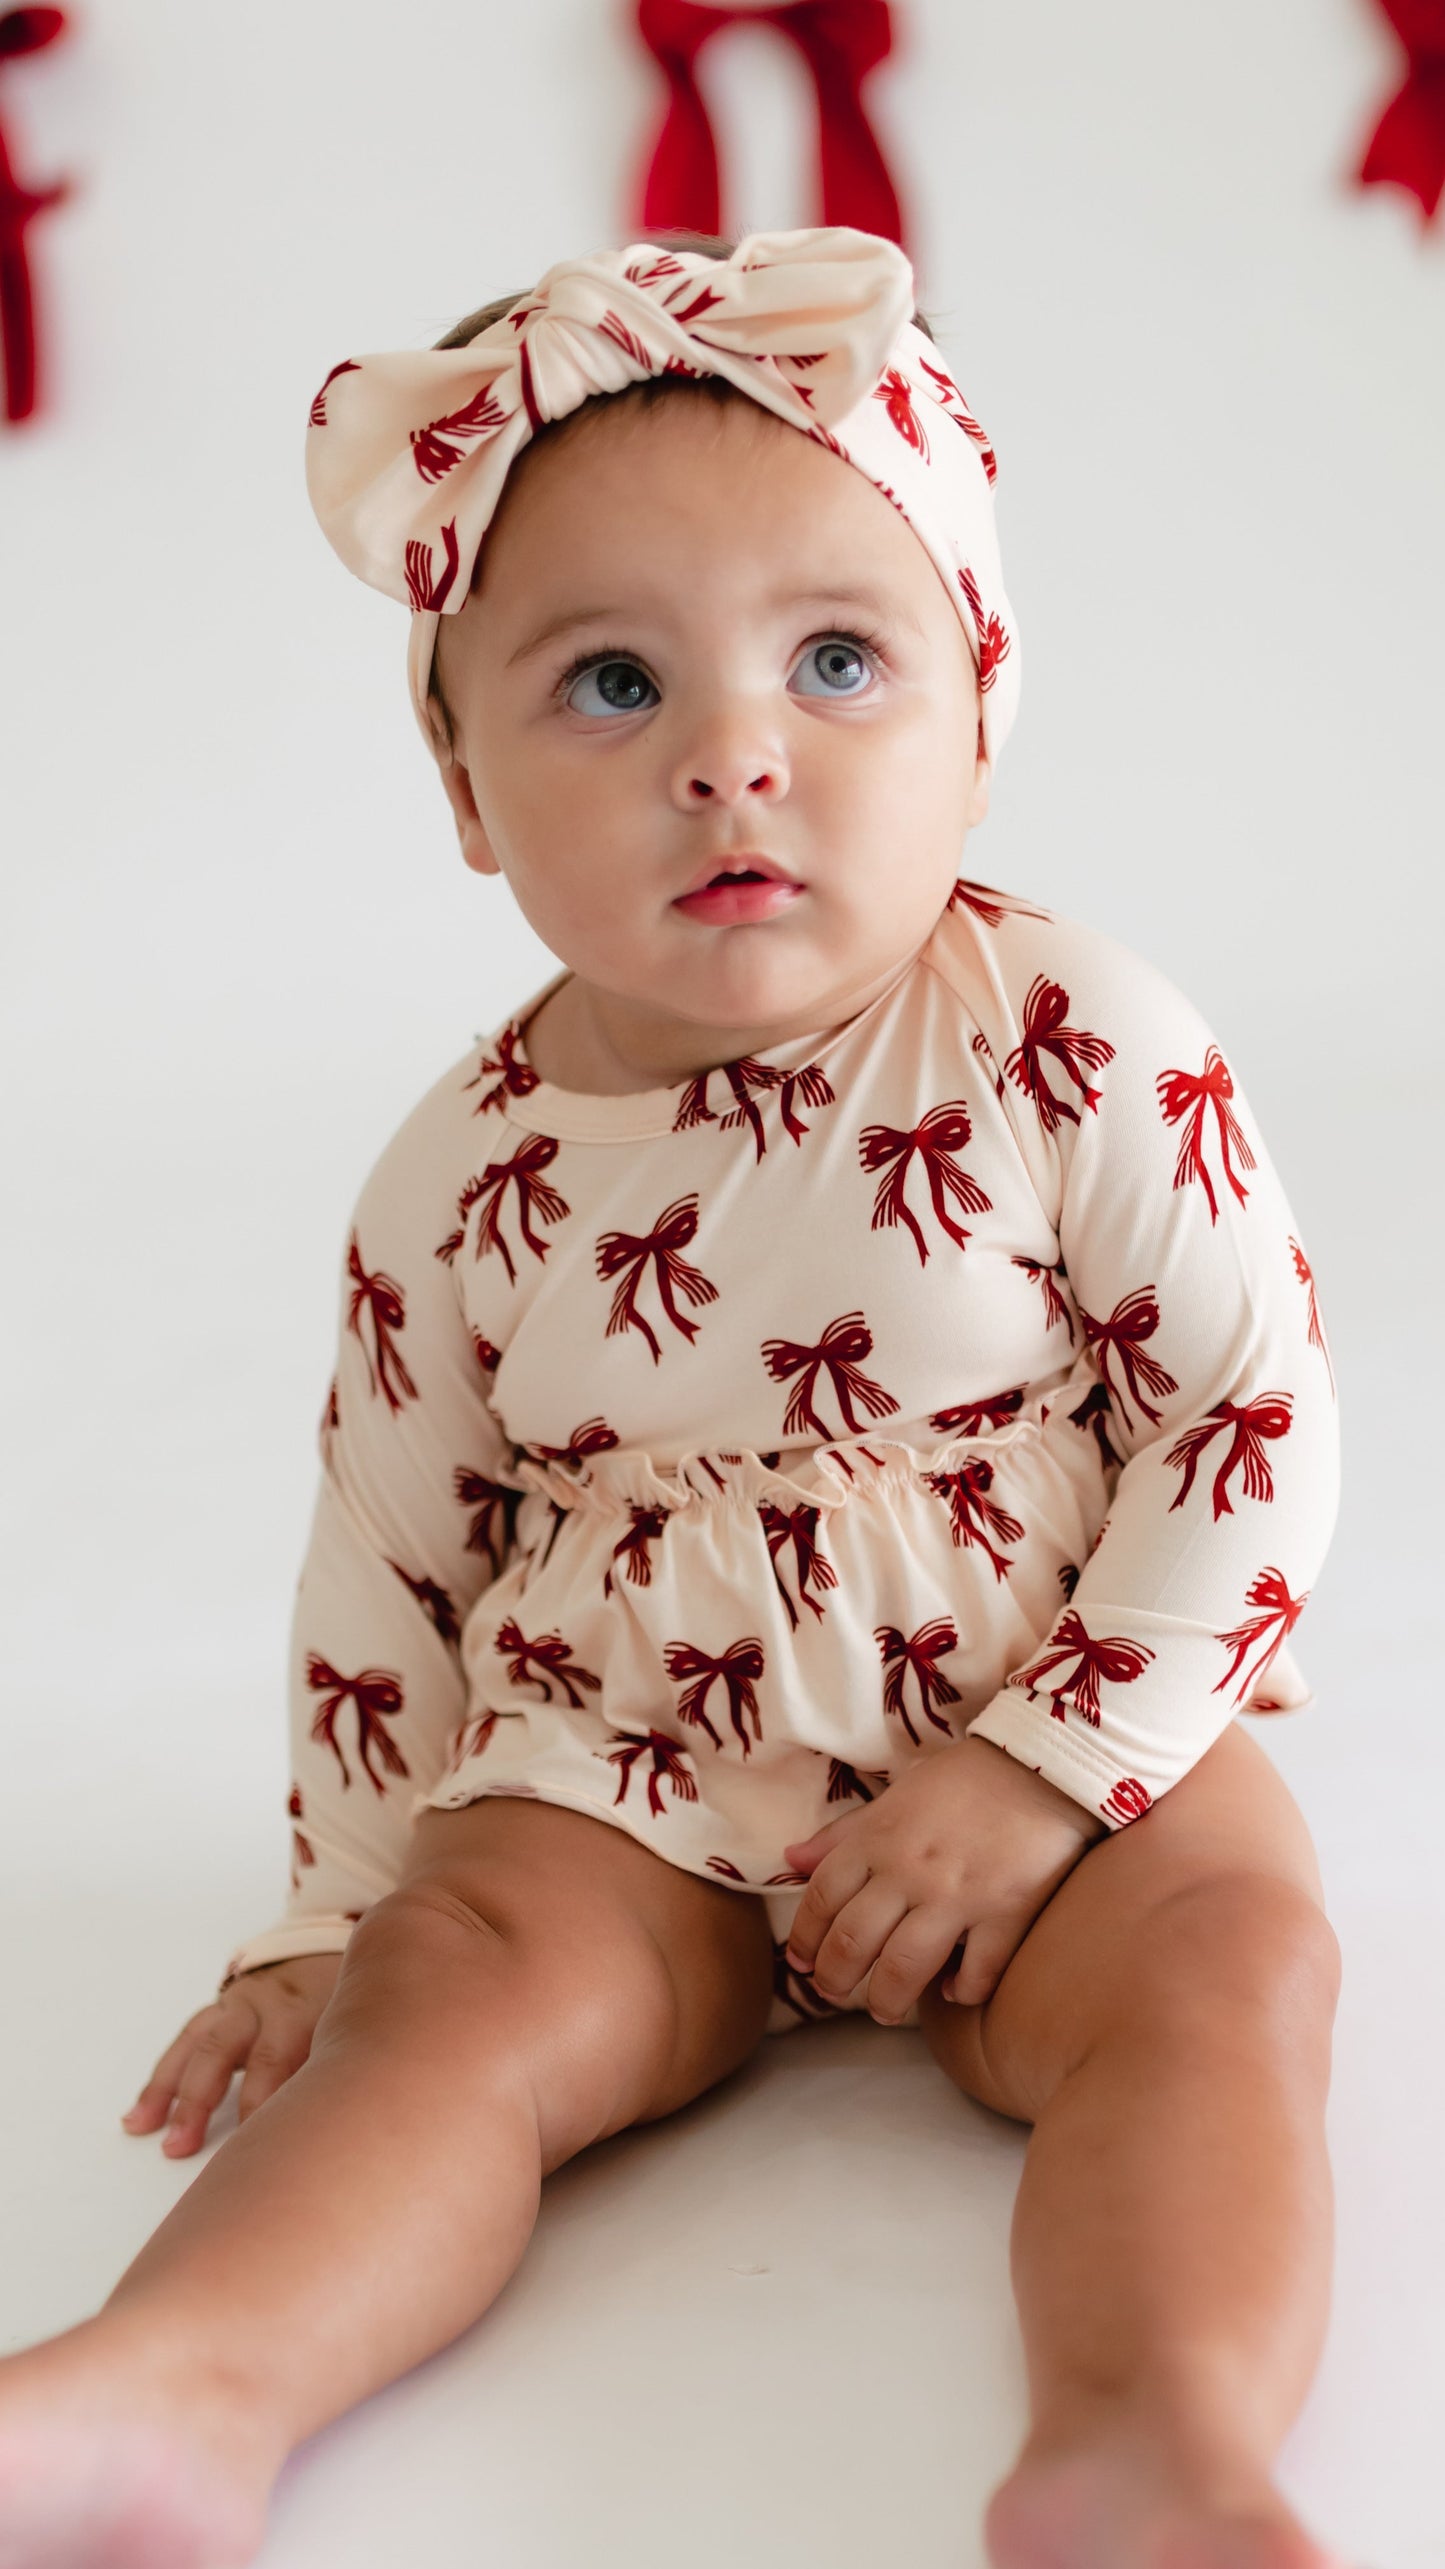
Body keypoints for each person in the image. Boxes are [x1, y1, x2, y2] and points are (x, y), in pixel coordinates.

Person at [0, 227, 1349, 2569]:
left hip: (1045, 1713)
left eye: (838, 660)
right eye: (610, 685)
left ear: (981, 701)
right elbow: (391, 1558)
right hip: (635, 1756)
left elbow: (1249, 1425)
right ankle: (176, 2390)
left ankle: (1154, 2438)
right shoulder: (462, 1172)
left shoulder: (1070, 1037)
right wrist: (330, 1911)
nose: (737, 752)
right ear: (462, 783)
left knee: (1230, 1959)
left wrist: (1051, 1768)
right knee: (454, 1983)